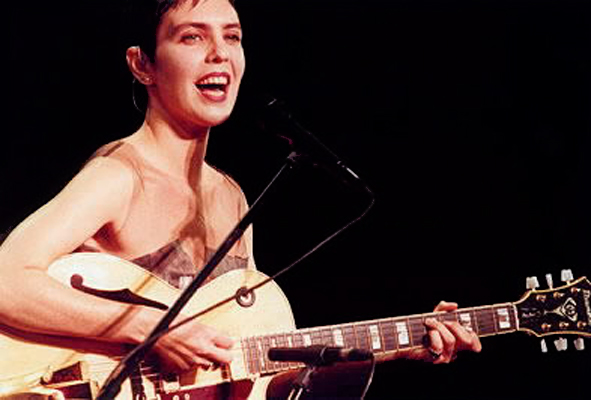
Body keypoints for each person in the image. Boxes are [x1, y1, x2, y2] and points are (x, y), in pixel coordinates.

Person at [0, 0, 480, 397]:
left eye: (232, 37)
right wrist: (150, 327)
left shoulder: (229, 196)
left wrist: (403, 346)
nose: (219, 54)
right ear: (142, 64)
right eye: (192, 37)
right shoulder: (121, 175)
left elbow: (242, 365)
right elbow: (7, 280)